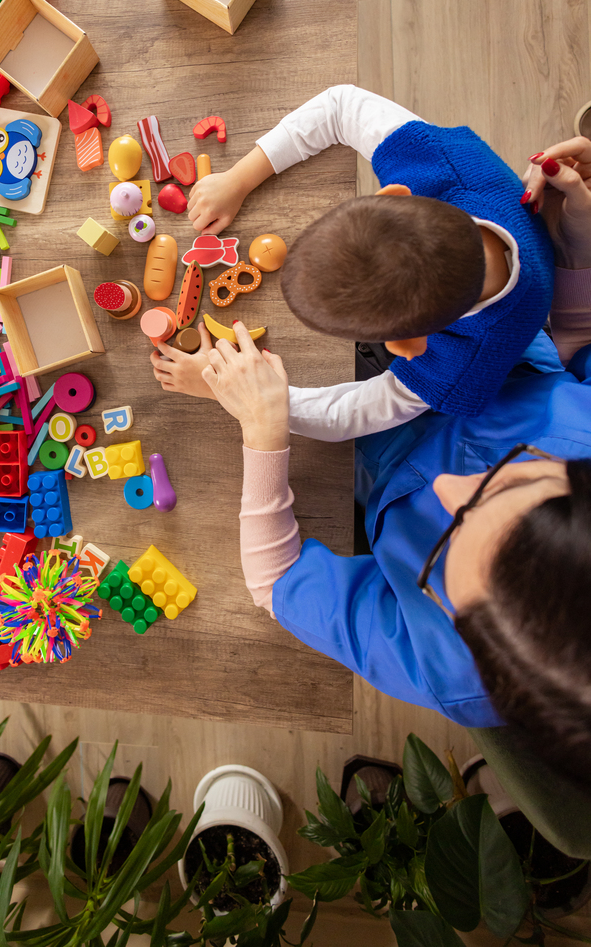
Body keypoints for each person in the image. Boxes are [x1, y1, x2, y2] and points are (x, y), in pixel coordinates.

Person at [198, 136, 591, 856]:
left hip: (375, 446)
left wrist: (263, 428)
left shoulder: (444, 666)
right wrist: (580, 242)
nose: (446, 487)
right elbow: (579, 343)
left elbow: (275, 581)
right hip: (499, 357)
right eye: (520, 472)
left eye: (445, 553)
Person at [152, 86, 554, 433]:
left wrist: (229, 391)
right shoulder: (443, 163)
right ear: (394, 195)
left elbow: (350, 415)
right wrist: (238, 180)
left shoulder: (467, 364)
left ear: (408, 345)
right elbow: (340, 106)